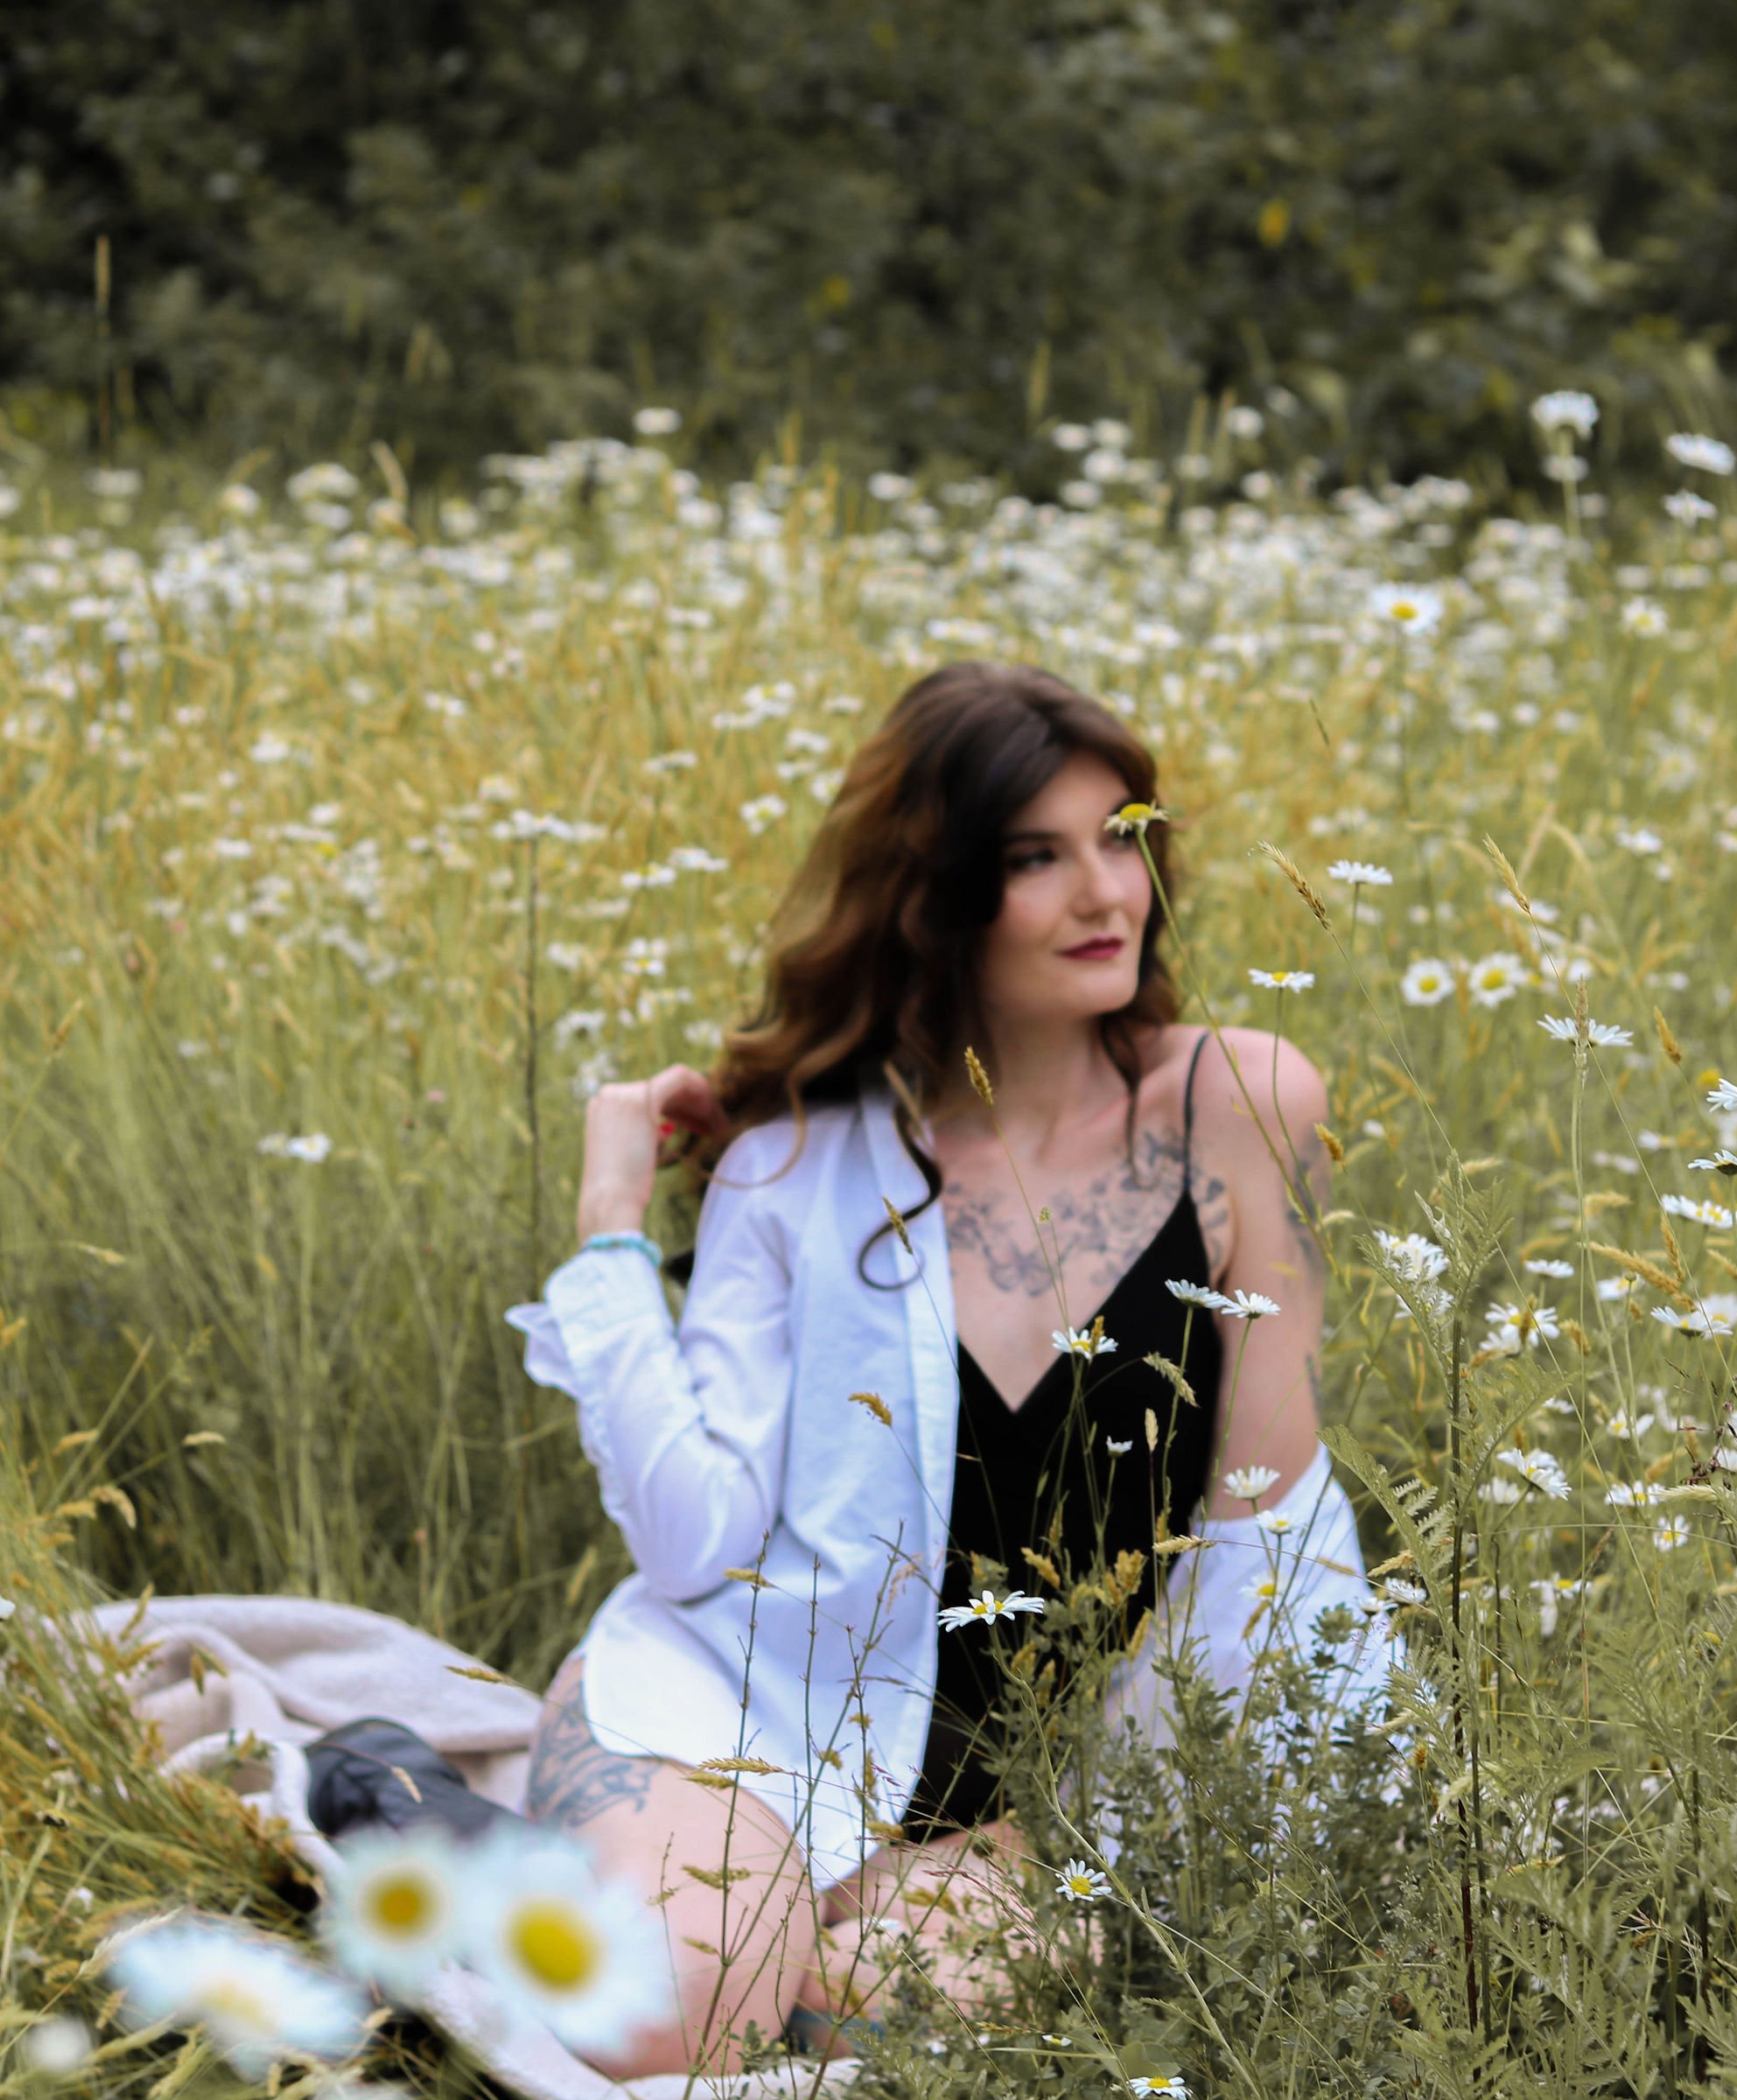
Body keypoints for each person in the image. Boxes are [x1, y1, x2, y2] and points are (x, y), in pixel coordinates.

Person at [505, 661, 1390, 2076]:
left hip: (1044, 1796)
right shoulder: (799, 1161)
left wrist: (1110, 1824)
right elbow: (691, 1541)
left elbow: (1266, 1521)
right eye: (1036, 858)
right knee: (670, 2012)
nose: (1104, 893)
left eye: (1123, 839)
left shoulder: (1235, 1101)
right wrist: (611, 1233)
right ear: (936, 896)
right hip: (756, 1723)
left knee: (914, 2007)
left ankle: (717, 1904)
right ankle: (489, 1829)